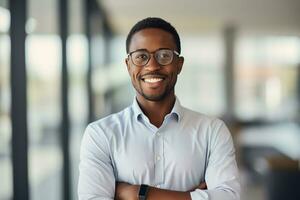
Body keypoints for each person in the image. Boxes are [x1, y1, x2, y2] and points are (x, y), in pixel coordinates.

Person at [78, 17, 240, 200]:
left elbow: (228, 197)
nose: (152, 65)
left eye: (164, 55)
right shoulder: (100, 134)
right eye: (141, 56)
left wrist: (138, 193)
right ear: (128, 65)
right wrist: (192, 196)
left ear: (179, 64)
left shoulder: (212, 131)